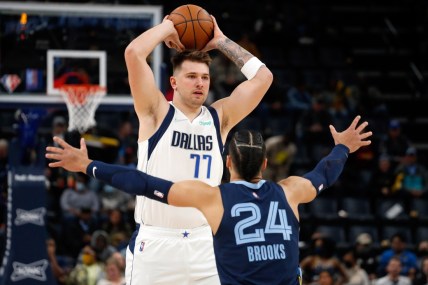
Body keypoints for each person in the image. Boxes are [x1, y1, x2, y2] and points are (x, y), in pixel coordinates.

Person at [46, 115, 372, 284]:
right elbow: (325, 174)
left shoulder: (213, 198)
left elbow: (142, 182)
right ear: (266, 164)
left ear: (227, 163)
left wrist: (87, 165)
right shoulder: (291, 192)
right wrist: (343, 146)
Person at [122, 9, 273, 285]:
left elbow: (264, 79)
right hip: (157, 244)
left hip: (206, 243)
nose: (200, 83)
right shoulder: (155, 113)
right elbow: (133, 53)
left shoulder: (220, 118)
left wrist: (220, 41)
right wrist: (168, 27)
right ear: (174, 82)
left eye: (204, 77)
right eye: (191, 76)